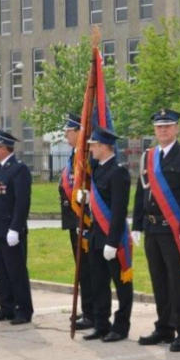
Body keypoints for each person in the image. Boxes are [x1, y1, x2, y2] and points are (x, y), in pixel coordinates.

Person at [132, 109, 180, 352]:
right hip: (152, 228)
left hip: (174, 230)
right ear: (155, 130)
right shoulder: (148, 157)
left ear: (177, 129)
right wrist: (136, 225)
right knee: (159, 281)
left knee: (179, 282)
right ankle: (164, 328)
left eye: (168, 126)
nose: (163, 130)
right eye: (159, 126)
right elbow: (141, 192)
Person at [82, 126, 133, 343]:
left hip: (113, 238)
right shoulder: (98, 169)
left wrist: (112, 242)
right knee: (99, 283)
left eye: (93, 145)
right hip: (96, 236)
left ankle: (121, 327)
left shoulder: (118, 171)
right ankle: (102, 325)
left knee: (121, 284)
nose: (91, 149)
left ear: (103, 146)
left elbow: (119, 210)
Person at [0, 129, 33, 325]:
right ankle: (6, 307)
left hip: (10, 230)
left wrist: (15, 228)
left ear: (3, 147)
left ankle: (23, 310)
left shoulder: (18, 169)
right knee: (1, 272)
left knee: (16, 272)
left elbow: (22, 202)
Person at [58, 112, 94, 330]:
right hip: (74, 220)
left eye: (68, 131)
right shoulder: (74, 155)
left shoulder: (86, 156)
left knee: (89, 270)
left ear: (78, 132)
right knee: (81, 270)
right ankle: (88, 309)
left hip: (85, 221)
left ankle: (92, 313)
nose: (65, 135)